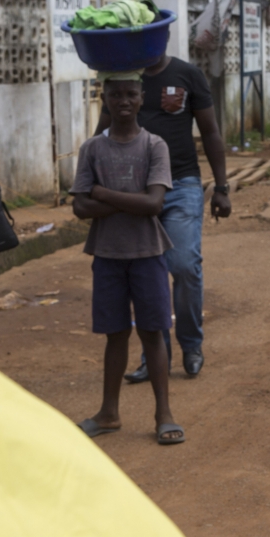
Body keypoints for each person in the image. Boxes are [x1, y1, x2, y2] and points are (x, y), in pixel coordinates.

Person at [98, 52, 232, 384]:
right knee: (147, 272)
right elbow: (101, 133)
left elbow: (210, 131)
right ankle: (154, 357)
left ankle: (191, 345)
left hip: (182, 184)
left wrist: (222, 186)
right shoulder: (123, 77)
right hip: (136, 191)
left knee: (184, 265)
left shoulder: (188, 74)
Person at [73, 76, 185, 445]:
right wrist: (128, 199)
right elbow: (79, 207)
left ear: (142, 99)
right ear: (104, 98)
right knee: (115, 335)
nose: (123, 100)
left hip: (148, 253)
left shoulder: (155, 146)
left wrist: (103, 192)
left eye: (131, 94)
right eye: (115, 94)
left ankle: (163, 414)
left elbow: (154, 203)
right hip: (107, 254)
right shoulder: (92, 149)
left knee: (154, 333)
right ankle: (109, 413)